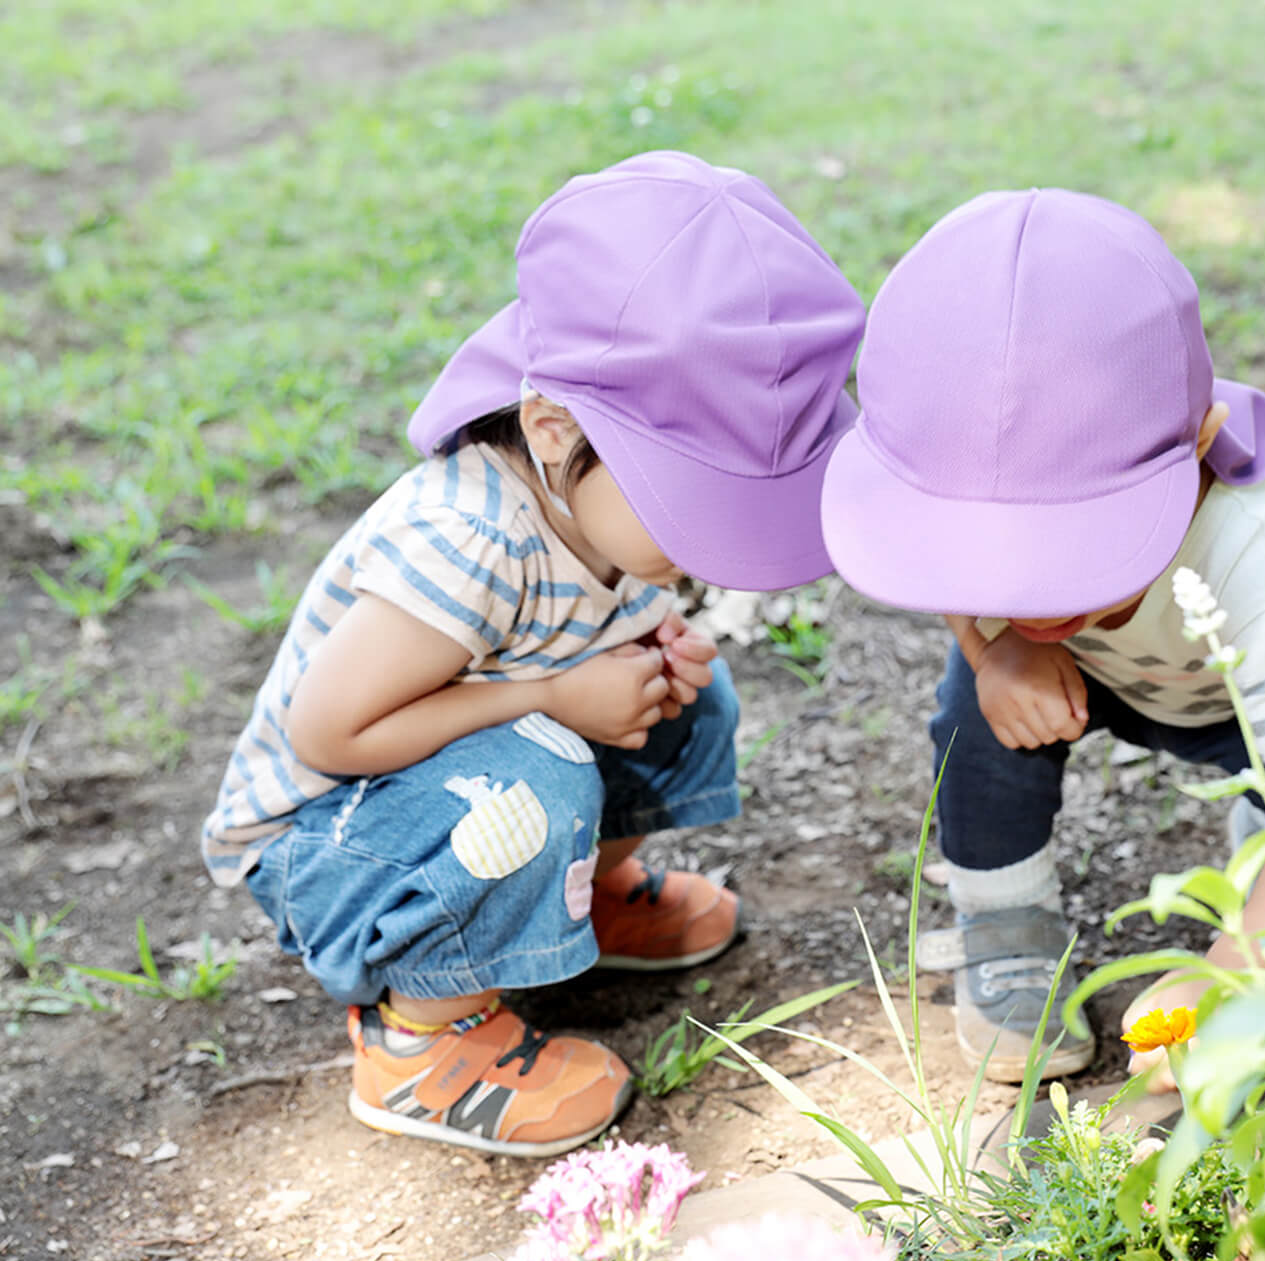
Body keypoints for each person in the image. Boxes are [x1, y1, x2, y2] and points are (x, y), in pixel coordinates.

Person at [201, 151, 865, 1155]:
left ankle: (569, 906)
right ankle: (426, 1042)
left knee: (685, 693)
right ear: (555, 429)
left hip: (433, 782)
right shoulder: (468, 538)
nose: (709, 549)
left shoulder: (589, 498)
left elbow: (594, 610)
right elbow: (330, 732)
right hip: (328, 845)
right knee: (534, 774)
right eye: (695, 506)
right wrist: (553, 695)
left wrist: (638, 638)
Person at [819, 188, 1265, 1084]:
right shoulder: (979, 513)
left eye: (1069, 545)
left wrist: (1231, 979)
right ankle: (1006, 923)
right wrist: (997, 650)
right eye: (992, 547)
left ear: (1198, 437)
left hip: (1252, 698)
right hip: (1091, 676)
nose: (1026, 587)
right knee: (976, 718)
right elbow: (924, 548)